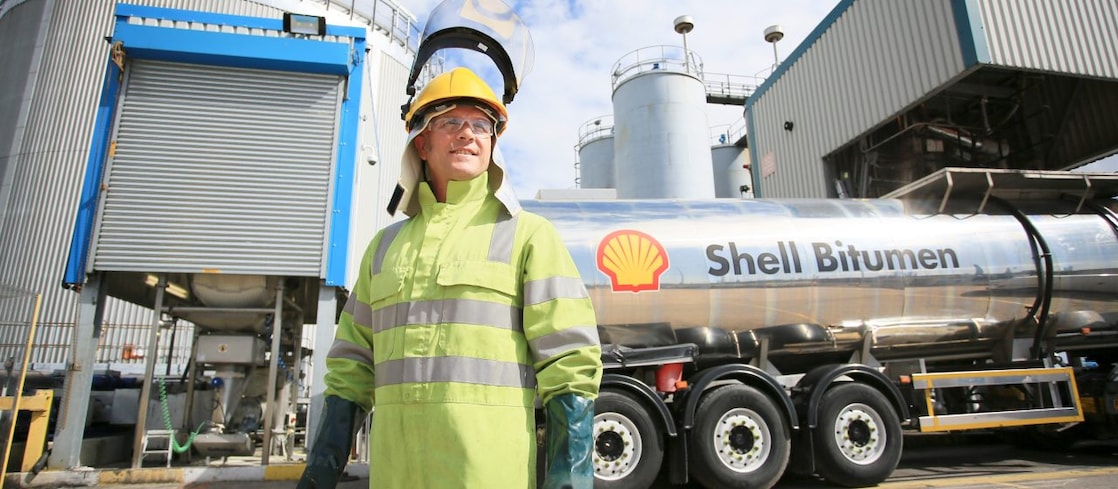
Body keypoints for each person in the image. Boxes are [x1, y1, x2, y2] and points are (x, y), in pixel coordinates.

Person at [297, 67, 603, 489]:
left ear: (492, 145)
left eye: (481, 125)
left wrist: (569, 477)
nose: (468, 133)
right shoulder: (384, 248)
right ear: (421, 142)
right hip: (395, 476)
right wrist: (320, 471)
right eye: (450, 122)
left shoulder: (527, 235)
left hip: (488, 476)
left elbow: (569, 363)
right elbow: (352, 367)